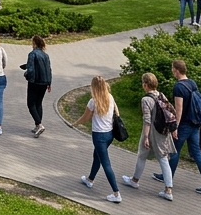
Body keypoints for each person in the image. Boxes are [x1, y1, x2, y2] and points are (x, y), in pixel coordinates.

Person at [163, 59, 201, 195]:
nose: (172, 71)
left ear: (176, 70)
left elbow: (178, 110)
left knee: (174, 152)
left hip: (184, 124)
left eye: (172, 69)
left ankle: (168, 179)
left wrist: (175, 127)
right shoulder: (192, 83)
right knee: (197, 152)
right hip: (195, 123)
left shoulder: (178, 87)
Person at [122, 72, 175, 201]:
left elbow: (147, 120)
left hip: (152, 132)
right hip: (163, 132)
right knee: (163, 158)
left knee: (142, 155)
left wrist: (146, 137)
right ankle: (168, 189)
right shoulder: (161, 95)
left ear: (145, 85)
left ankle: (135, 181)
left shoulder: (146, 99)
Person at [75, 75, 122, 203]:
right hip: (109, 135)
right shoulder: (110, 97)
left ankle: (116, 193)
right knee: (97, 156)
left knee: (106, 163)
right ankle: (90, 179)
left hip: (99, 136)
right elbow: (117, 113)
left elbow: (85, 118)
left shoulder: (93, 101)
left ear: (94, 87)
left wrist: (75, 123)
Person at [21, 35, 52, 137]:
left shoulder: (32, 54)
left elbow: (30, 69)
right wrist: (49, 83)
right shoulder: (45, 55)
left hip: (34, 82)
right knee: (38, 104)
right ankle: (37, 126)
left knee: (31, 104)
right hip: (44, 83)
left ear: (34, 43)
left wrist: (26, 75)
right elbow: (48, 69)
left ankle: (39, 125)